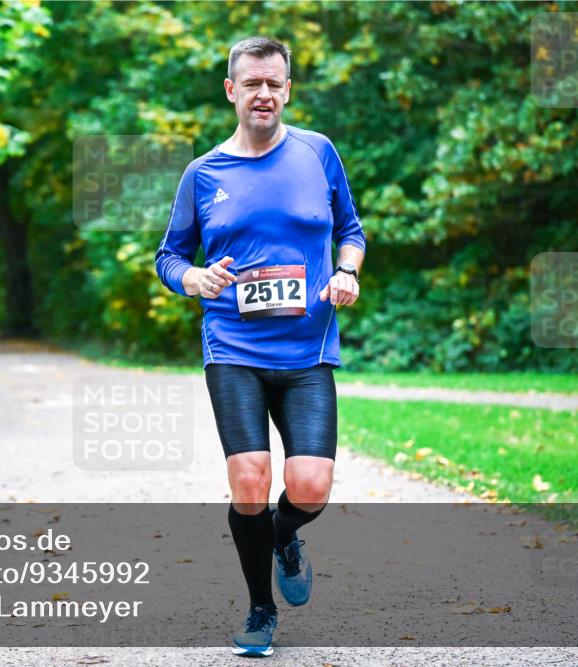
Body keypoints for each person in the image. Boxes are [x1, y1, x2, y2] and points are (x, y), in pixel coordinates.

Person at [154, 37, 365, 657]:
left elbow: (350, 231)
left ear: (288, 89)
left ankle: (283, 535)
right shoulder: (204, 173)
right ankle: (259, 610)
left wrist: (347, 271)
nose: (264, 94)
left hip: (307, 351)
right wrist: (191, 278)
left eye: (274, 83)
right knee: (249, 481)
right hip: (233, 346)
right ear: (232, 91)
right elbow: (170, 255)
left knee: (311, 488)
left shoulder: (318, 154)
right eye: (252, 84)